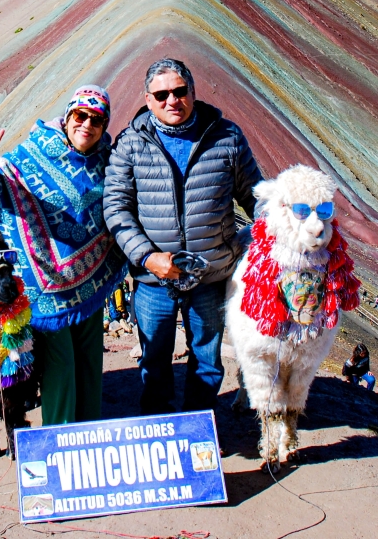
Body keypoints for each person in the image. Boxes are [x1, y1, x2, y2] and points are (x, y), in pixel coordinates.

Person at [0, 85, 127, 427]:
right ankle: (62, 444)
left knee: (89, 366)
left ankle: (92, 436)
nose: (87, 125)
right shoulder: (32, 155)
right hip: (42, 285)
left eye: (97, 119)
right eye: (80, 115)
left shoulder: (109, 163)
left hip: (90, 286)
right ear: (67, 117)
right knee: (61, 368)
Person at [104, 58, 262, 414]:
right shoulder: (131, 144)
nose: (171, 100)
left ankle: (198, 431)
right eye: (161, 94)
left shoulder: (227, 138)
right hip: (153, 280)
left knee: (207, 362)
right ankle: (160, 431)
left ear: (193, 92)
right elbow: (116, 208)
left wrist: (277, 237)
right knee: (154, 361)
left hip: (210, 275)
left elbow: (255, 197)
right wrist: (147, 257)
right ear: (148, 99)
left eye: (179, 91)